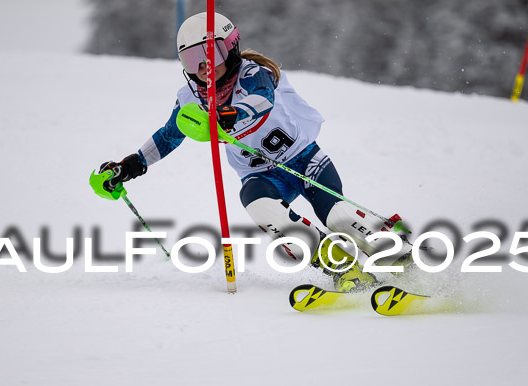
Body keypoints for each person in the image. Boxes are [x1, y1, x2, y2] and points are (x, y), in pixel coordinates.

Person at [95, 12, 412, 291]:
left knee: (338, 215)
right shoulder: (191, 98)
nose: (204, 67)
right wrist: (130, 165)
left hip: (304, 160)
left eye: (211, 55)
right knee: (259, 205)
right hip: (260, 175)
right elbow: (169, 135)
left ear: (230, 48)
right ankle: (343, 269)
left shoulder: (252, 73)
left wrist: (231, 113)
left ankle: (402, 258)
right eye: (193, 60)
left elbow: (263, 99)